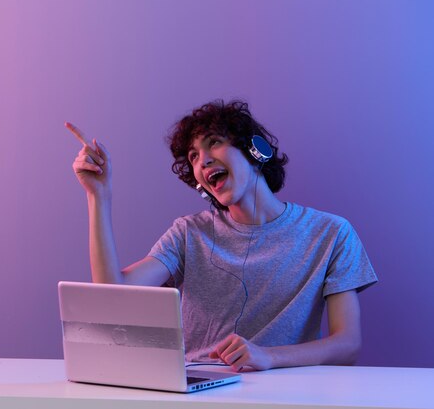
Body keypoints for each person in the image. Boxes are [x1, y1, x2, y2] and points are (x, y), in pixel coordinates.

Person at [68, 99, 377, 372]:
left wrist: (269, 357)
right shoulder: (189, 233)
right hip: (196, 392)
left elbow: (347, 345)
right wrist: (99, 196)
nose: (202, 161)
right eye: (192, 156)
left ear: (256, 150)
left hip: (281, 391)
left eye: (213, 143)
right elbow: (113, 293)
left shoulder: (331, 233)